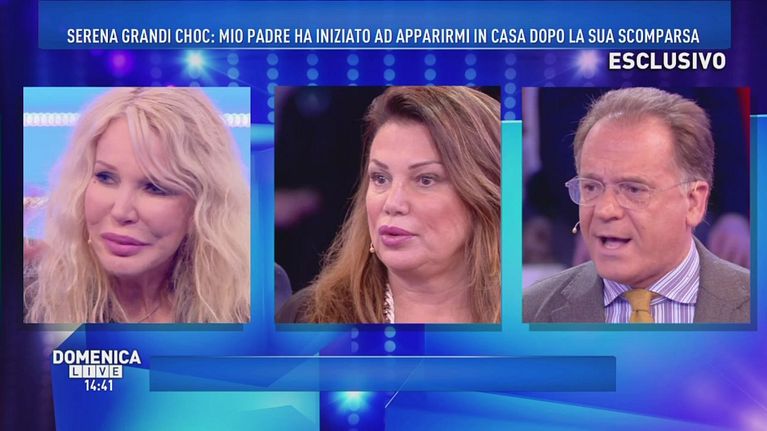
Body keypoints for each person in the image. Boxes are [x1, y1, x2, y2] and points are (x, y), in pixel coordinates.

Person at [523, 87, 750, 323]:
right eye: (591, 187)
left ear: (693, 202)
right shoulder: (529, 312)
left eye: (633, 189)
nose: (604, 210)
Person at [24, 88, 250, 323]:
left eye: (155, 187)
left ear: (203, 206)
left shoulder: (250, 304)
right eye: (105, 177)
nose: (121, 211)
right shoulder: (30, 297)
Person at [277, 86, 501, 323]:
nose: (392, 203)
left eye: (425, 180)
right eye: (380, 178)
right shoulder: (306, 316)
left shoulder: (523, 318)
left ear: (483, 195)